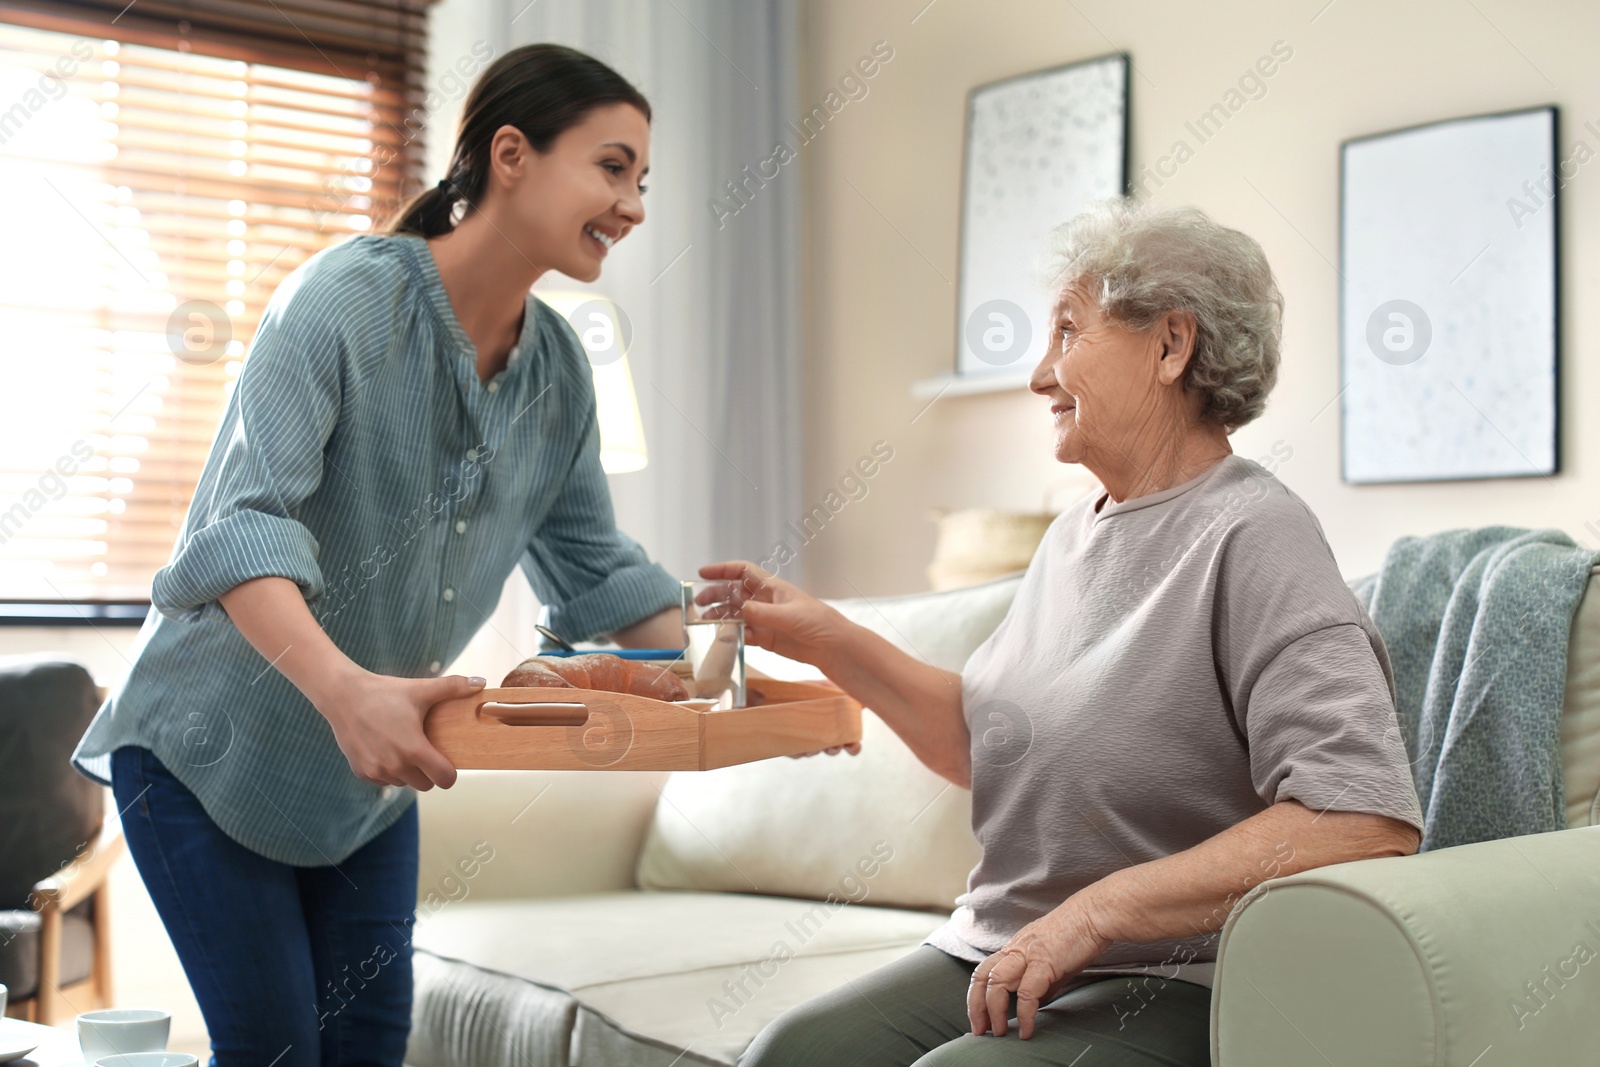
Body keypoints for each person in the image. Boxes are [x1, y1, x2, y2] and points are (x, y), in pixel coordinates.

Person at [70, 43, 681, 1066]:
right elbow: (240, 528)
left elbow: (599, 571)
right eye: (612, 168)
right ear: (512, 154)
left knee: (366, 1050)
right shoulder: (344, 299)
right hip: (209, 753)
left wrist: (749, 681)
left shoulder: (562, 369)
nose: (633, 205)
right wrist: (348, 691)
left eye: (641, 180)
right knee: (274, 1050)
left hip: (365, 788)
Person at [715, 202, 1426, 1066]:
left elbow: (1363, 818)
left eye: (1067, 330)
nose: (1039, 375)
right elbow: (988, 746)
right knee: (789, 1054)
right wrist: (830, 637)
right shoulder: (1071, 537)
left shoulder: (1254, 533)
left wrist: (1096, 912)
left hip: (1183, 976)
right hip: (1004, 951)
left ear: (1171, 345)